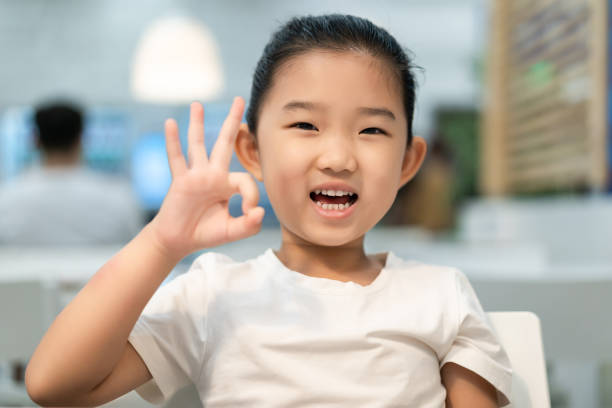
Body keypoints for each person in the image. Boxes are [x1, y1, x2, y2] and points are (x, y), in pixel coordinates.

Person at [24, 15, 512, 407]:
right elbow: (54, 386)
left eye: (371, 131)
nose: (339, 158)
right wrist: (162, 242)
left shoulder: (440, 294)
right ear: (252, 152)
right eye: (305, 124)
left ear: (408, 162)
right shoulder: (214, 293)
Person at [0, 101, 143, 245]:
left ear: (35, 140)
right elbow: (136, 249)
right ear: (81, 138)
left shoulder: (6, 200)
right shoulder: (119, 198)